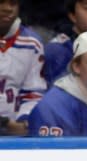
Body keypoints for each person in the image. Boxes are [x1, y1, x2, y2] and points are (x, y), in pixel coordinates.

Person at [0, 0, 47, 136]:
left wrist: (24, 120)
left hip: (14, 133)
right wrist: (4, 123)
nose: (8, 9)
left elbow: (33, 93)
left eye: (13, 3)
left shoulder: (32, 43)